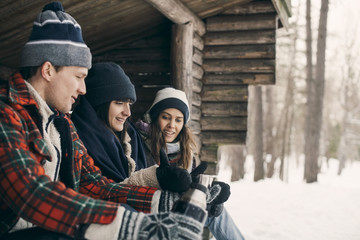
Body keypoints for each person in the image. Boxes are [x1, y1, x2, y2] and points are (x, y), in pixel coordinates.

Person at [0, 2, 208, 239]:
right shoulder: (7, 115)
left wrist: (169, 201)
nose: (83, 88)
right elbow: (29, 192)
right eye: (79, 76)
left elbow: (94, 186)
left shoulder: (62, 124)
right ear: (48, 71)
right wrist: (128, 226)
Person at [137, 87, 246, 240]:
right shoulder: (139, 143)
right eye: (166, 117)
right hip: (149, 211)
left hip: (178, 211)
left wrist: (205, 194)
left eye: (178, 120)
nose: (172, 125)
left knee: (216, 211)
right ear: (155, 117)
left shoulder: (186, 151)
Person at [71, 62, 192, 192]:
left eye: (129, 104)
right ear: (99, 102)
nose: (128, 113)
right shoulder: (77, 138)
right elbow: (100, 192)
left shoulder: (131, 137)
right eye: (119, 103)